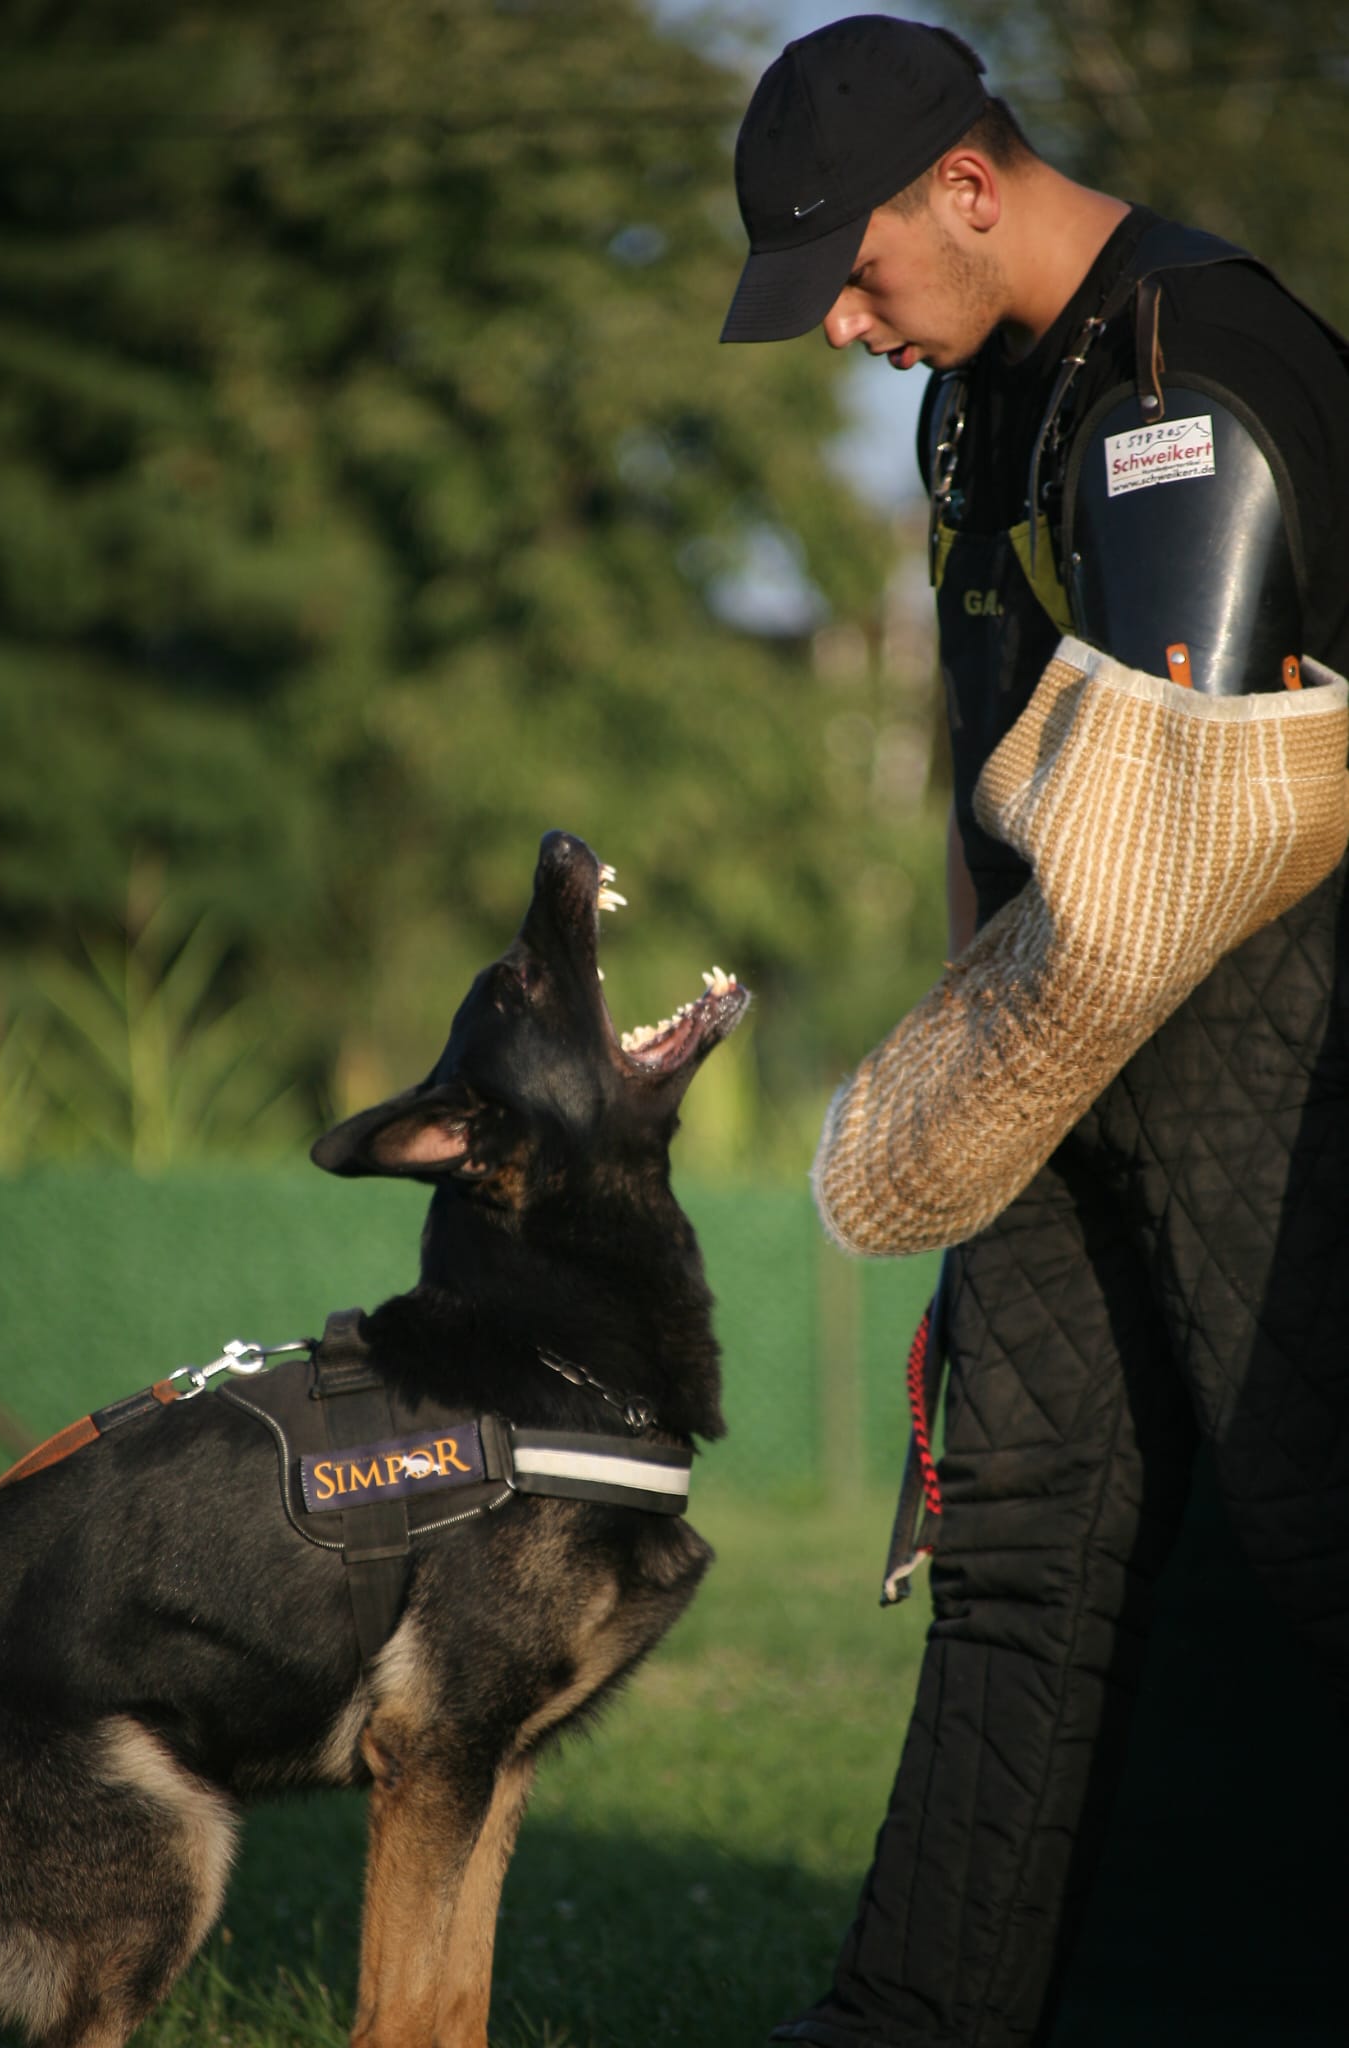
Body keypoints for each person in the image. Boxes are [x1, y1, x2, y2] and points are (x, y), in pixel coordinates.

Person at [721, 15, 1349, 2048]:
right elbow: (995, 784)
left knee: (1302, 1524)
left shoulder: (1202, 368)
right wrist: (967, 1068)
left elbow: (1186, 823)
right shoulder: (979, 403)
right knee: (1013, 1531)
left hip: (1265, 1016)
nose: (839, 326)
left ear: (967, 189)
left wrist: (952, 1110)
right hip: (1057, 1016)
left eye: (849, 270)